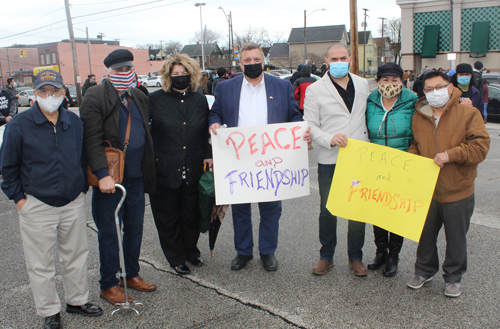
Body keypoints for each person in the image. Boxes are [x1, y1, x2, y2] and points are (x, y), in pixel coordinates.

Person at [1, 70, 103, 329]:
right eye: (44, 91)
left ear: (63, 93)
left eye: (55, 91)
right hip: (37, 203)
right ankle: (49, 311)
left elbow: (82, 158)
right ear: (35, 94)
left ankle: (77, 301)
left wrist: (81, 188)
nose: (50, 96)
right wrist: (20, 200)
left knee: (76, 255)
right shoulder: (18, 126)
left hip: (72, 201)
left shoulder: (74, 122)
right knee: (40, 263)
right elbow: (8, 167)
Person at [209, 42, 309, 272]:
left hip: (271, 158)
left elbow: (294, 115)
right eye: (247, 61)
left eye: (256, 60)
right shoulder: (226, 88)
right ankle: (243, 252)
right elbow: (215, 112)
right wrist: (213, 122)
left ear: (263, 61)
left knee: (271, 208)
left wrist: (299, 129)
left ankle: (267, 251)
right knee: (241, 208)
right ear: (240, 63)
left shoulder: (281, 86)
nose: (252, 64)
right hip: (239, 157)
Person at [79, 49, 157, 305]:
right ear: (108, 72)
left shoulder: (137, 95)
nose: (125, 73)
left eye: (128, 68)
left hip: (136, 175)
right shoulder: (95, 96)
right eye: (119, 70)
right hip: (110, 179)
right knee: (110, 232)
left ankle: (131, 274)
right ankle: (108, 283)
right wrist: (102, 174)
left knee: (134, 228)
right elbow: (91, 139)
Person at [406, 71, 490, 298]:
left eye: (439, 87)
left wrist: (450, 155)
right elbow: (416, 143)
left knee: (456, 238)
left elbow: (480, 147)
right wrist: (413, 159)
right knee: (425, 235)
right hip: (427, 190)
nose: (435, 93)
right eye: (429, 89)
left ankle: (453, 277)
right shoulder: (418, 115)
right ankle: (424, 270)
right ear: (424, 92)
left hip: (458, 189)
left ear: (450, 87)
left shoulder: (468, 113)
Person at [303, 44, 369, 277]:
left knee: (357, 210)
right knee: (328, 210)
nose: (339, 61)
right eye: (334, 58)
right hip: (330, 158)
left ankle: (356, 257)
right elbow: (309, 124)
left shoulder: (362, 84)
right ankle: (326, 256)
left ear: (350, 59)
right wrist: (329, 138)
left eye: (343, 57)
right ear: (326, 61)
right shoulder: (315, 89)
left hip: (358, 158)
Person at [148, 54, 212, 275]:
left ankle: (191, 250)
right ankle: (176, 257)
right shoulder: (154, 100)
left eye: (184, 74)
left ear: (192, 75)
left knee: (192, 214)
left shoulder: (199, 99)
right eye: (176, 74)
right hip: (165, 167)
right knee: (168, 216)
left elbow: (206, 132)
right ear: (168, 76)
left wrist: (209, 154)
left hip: (193, 166)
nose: (180, 78)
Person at [365, 63, 418, 277]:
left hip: (403, 164)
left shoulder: (413, 101)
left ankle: (394, 255)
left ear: (401, 81)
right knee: (378, 210)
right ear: (378, 81)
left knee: (397, 211)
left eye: (394, 80)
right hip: (376, 165)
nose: (389, 84)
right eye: (384, 80)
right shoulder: (370, 101)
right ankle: (380, 251)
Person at [293, 64, 316, 150]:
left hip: (302, 105)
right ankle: (310, 143)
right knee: (311, 125)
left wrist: (298, 99)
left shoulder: (299, 81)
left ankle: (303, 143)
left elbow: (295, 93)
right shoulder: (314, 80)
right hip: (313, 105)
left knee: (303, 126)